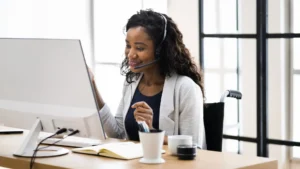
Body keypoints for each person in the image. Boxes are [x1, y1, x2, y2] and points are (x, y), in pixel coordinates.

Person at [90, 9, 206, 148]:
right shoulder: (132, 82)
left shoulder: (186, 88)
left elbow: (194, 146)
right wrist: (92, 84)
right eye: (128, 46)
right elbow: (118, 133)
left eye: (139, 48)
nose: (131, 54)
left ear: (160, 51)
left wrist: (152, 132)